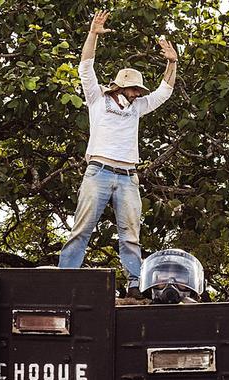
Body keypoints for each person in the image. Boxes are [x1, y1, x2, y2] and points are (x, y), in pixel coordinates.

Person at [58, 10, 177, 299]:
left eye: (139, 89)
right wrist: (92, 34)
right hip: (98, 171)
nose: (138, 93)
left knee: (131, 235)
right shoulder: (97, 98)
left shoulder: (137, 107)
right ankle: (63, 281)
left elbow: (164, 92)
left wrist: (172, 63)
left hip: (128, 176)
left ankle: (135, 282)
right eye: (135, 88)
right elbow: (86, 67)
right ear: (122, 86)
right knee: (82, 228)